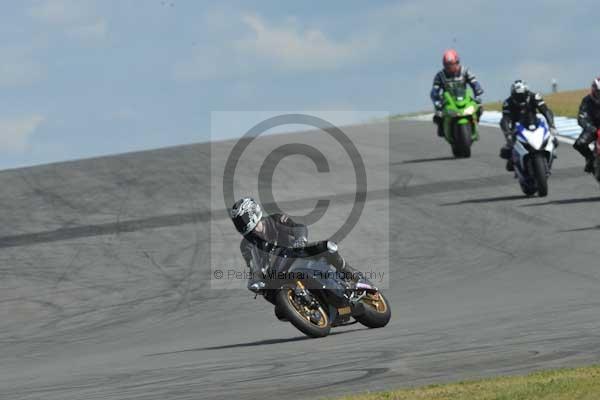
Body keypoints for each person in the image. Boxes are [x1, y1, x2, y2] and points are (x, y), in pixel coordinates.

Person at [230, 197, 360, 293]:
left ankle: (350, 273)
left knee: (327, 247)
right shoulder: (246, 245)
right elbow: (253, 265)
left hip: (296, 253)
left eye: (243, 219)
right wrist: (255, 279)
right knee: (269, 295)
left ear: (253, 212)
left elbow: (297, 227)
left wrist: (300, 239)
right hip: (276, 271)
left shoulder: (274, 220)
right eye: (238, 222)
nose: (241, 224)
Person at [499, 80, 558, 171]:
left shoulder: (534, 96)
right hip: (517, 126)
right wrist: (508, 133)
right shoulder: (508, 102)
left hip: (533, 122)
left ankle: (550, 153)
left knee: (554, 140)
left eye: (522, 95)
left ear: (527, 92)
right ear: (513, 94)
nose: (521, 98)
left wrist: (552, 125)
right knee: (506, 151)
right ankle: (514, 160)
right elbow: (505, 119)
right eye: (518, 96)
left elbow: (546, 111)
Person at [430, 49, 484, 137]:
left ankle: (475, 123)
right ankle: (442, 128)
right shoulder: (440, 75)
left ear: (457, 62)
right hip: (448, 101)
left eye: (451, 64)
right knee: (437, 116)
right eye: (447, 65)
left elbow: (475, 83)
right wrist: (436, 100)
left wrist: (478, 93)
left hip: (464, 98)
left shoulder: (465, 71)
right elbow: (434, 90)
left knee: (479, 108)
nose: (450, 67)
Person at [573, 77, 600, 173]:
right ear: (593, 90)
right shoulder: (587, 100)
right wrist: (590, 127)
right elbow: (581, 117)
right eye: (598, 92)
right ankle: (590, 158)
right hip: (593, 128)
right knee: (579, 144)